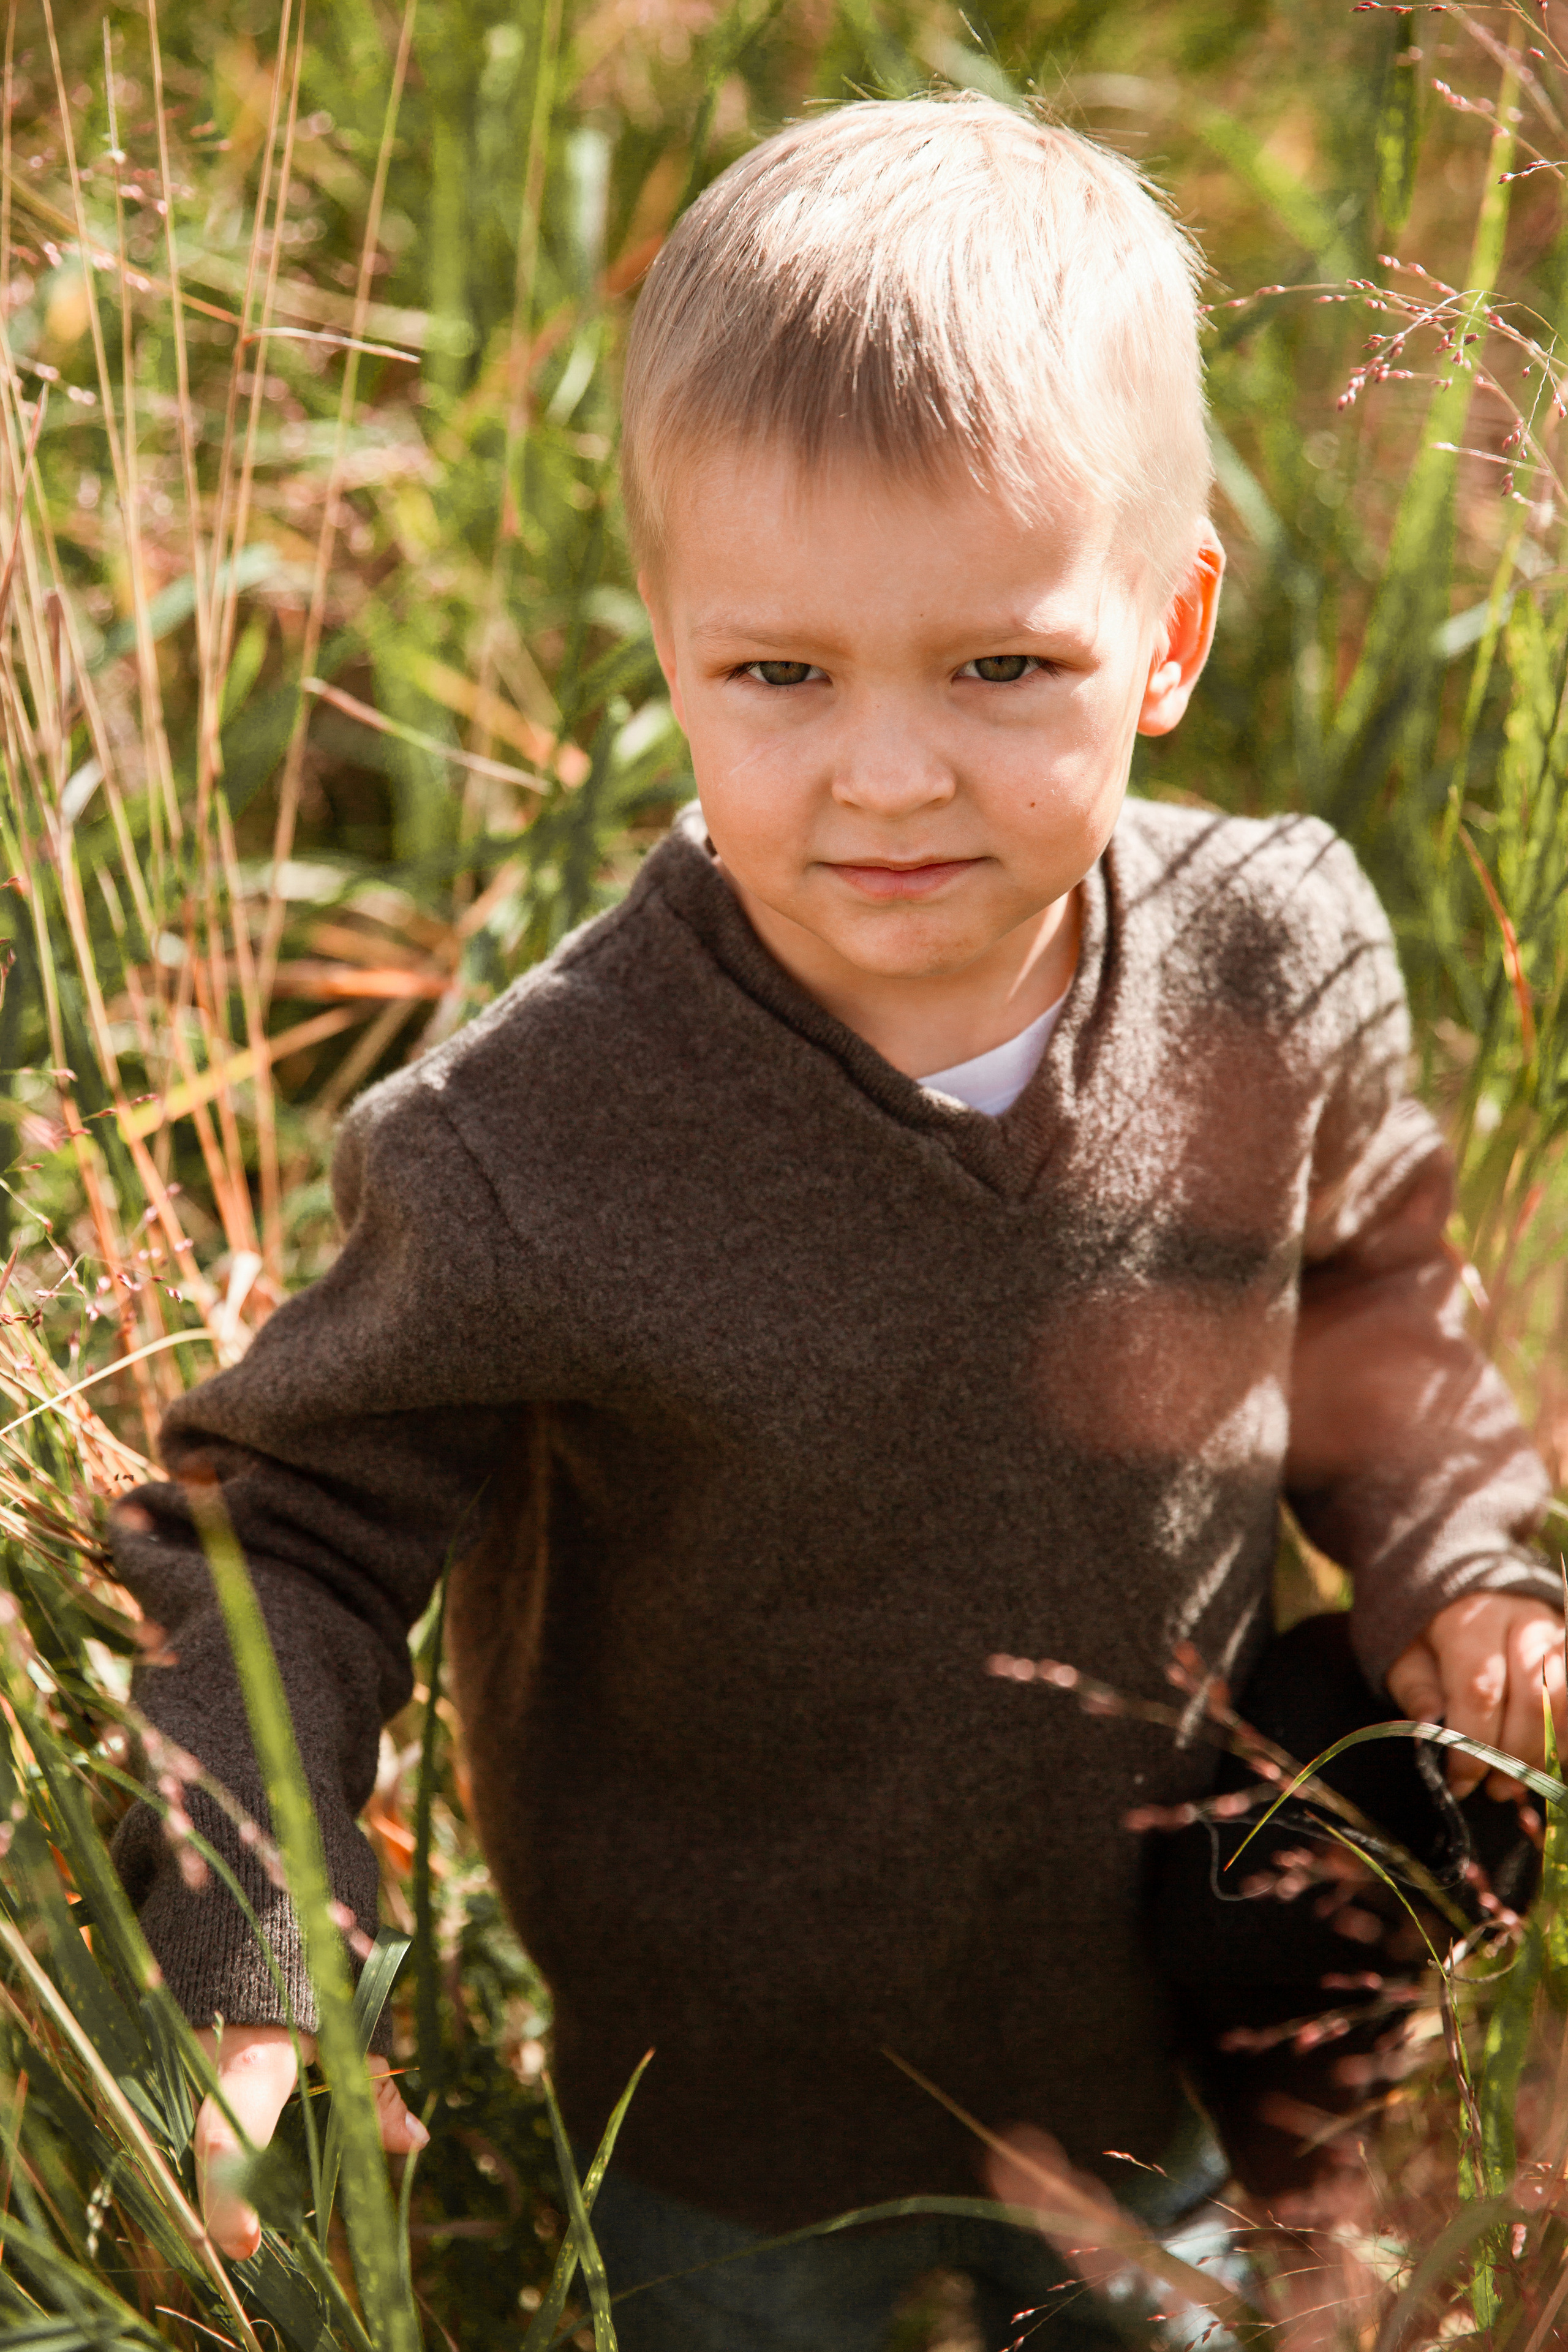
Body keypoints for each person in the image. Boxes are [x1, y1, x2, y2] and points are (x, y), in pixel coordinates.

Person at [108, 94, 1566, 2351]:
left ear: (1168, 634)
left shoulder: (1280, 954)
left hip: (1155, 2042)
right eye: (782, 676)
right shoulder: (540, 1133)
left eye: (1002, 667)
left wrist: (1466, 1569)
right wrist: (243, 1941)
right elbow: (289, 1524)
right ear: (673, 644)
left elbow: (1381, 1327)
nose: (888, 774)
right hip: (722, 2119)